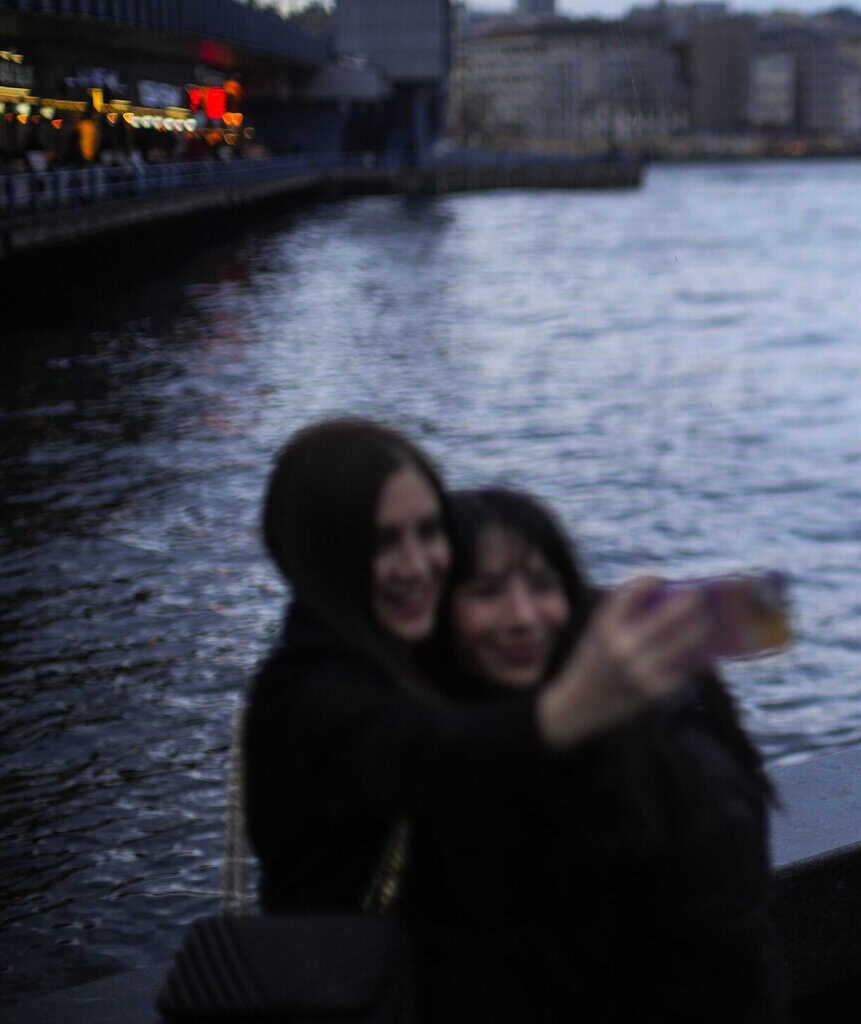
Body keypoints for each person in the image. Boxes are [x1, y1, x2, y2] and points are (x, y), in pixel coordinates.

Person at [244, 418, 711, 921]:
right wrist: (579, 700)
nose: (416, 564)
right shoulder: (309, 695)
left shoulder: (385, 645)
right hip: (357, 987)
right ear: (322, 553)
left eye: (429, 532)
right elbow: (430, 756)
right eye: (383, 542)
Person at [409, 487, 785, 1022]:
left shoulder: (670, 748)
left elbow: (722, 948)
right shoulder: (448, 725)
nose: (521, 617)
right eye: (486, 591)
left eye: (541, 585)